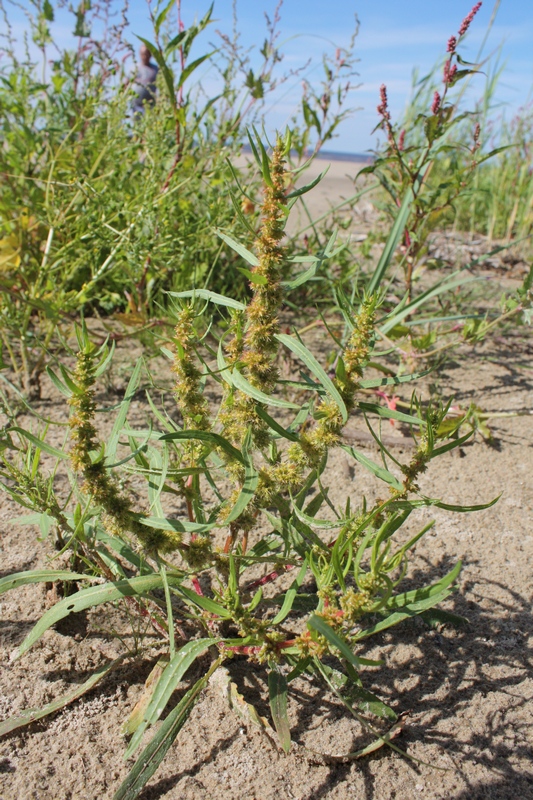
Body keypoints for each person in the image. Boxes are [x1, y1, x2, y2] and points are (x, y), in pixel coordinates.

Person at [132, 44, 159, 115]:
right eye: (143, 54)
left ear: (150, 55)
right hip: (136, 104)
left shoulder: (155, 69)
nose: (145, 57)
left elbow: (161, 84)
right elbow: (127, 82)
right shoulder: (135, 68)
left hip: (150, 104)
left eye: (147, 54)